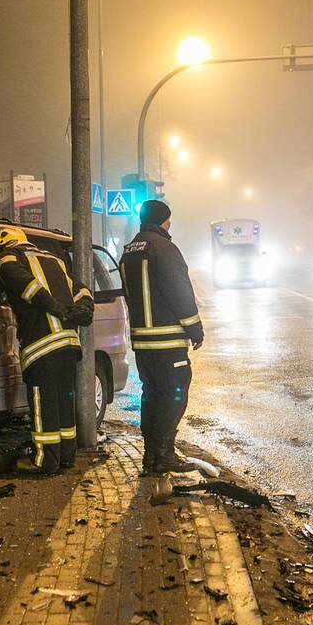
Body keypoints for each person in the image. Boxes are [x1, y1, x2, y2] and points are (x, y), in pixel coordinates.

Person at [0, 226, 93, 474]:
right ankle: (67, 455)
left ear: (4, 243)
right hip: (69, 342)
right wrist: (83, 309)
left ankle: (44, 461)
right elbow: (82, 289)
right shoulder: (54, 260)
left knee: (43, 402)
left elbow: (25, 286)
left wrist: (55, 308)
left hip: (41, 343)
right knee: (63, 400)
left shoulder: (10, 257)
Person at [119, 200, 203, 475]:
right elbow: (179, 291)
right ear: (165, 220)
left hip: (143, 343)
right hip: (167, 342)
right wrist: (194, 328)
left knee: (152, 395)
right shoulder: (164, 248)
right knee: (174, 394)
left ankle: (151, 455)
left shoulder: (129, 251)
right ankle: (164, 453)